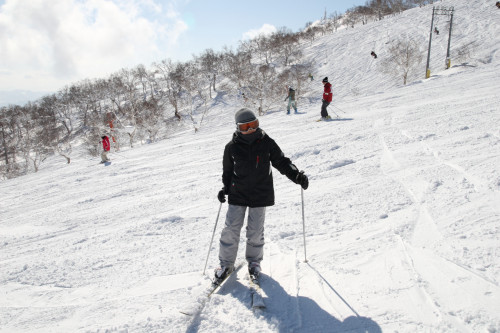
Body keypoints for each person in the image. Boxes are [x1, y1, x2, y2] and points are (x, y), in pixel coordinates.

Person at [215, 108, 309, 282]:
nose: (251, 129)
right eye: (246, 127)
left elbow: (281, 161)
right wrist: (224, 189)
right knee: (231, 229)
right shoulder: (231, 147)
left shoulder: (266, 142)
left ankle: (254, 262)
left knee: (256, 231)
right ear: (238, 128)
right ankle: (226, 263)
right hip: (238, 193)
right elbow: (227, 172)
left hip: (260, 192)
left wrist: (296, 175)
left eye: (254, 125)